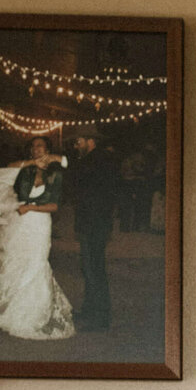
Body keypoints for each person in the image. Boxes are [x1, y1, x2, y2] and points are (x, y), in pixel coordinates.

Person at [0, 135, 74, 341]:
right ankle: (10, 301)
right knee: (15, 259)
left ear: (48, 150)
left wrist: (32, 207)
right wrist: (34, 163)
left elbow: (54, 205)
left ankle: (34, 313)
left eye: (41, 146)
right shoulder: (24, 170)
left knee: (35, 263)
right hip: (19, 222)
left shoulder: (54, 174)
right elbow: (1, 171)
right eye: (33, 147)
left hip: (39, 223)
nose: (36, 149)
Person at [70, 131, 118, 331]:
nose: (76, 145)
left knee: (94, 268)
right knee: (89, 267)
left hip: (94, 222)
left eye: (78, 141)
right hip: (92, 221)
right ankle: (90, 309)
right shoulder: (94, 159)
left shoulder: (97, 160)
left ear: (91, 141)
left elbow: (91, 190)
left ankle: (100, 317)